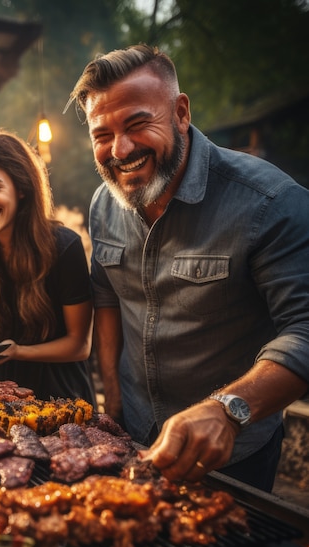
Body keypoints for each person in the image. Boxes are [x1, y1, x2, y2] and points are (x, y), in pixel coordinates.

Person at [68, 43, 309, 491]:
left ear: (180, 112)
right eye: (102, 135)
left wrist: (227, 409)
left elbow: (304, 328)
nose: (120, 149)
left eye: (137, 123)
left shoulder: (271, 203)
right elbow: (106, 293)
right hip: (133, 436)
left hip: (233, 450)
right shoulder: (103, 204)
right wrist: (113, 401)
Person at [0, 129, 96, 406]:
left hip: (60, 398)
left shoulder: (64, 246)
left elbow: (79, 345)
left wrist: (17, 351)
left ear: (22, 188)